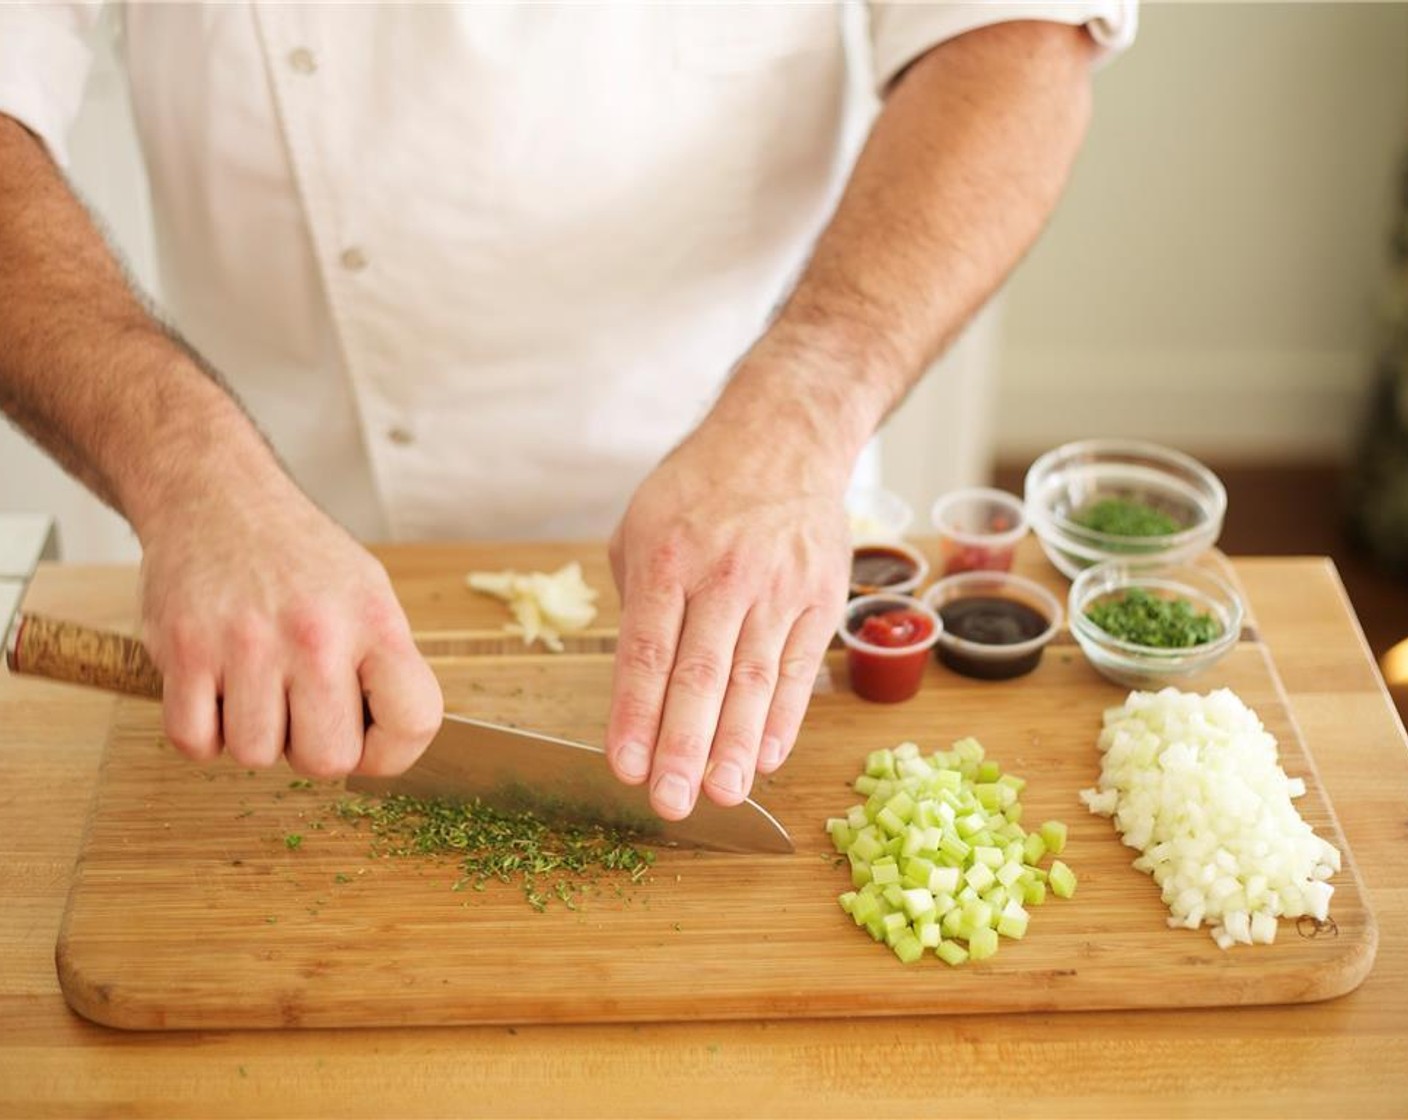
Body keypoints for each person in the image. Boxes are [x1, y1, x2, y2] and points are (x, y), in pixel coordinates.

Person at [0, 3, 1135, 822]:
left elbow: (1019, 40)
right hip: (266, 517)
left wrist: (799, 412)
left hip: (765, 474)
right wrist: (194, 475)